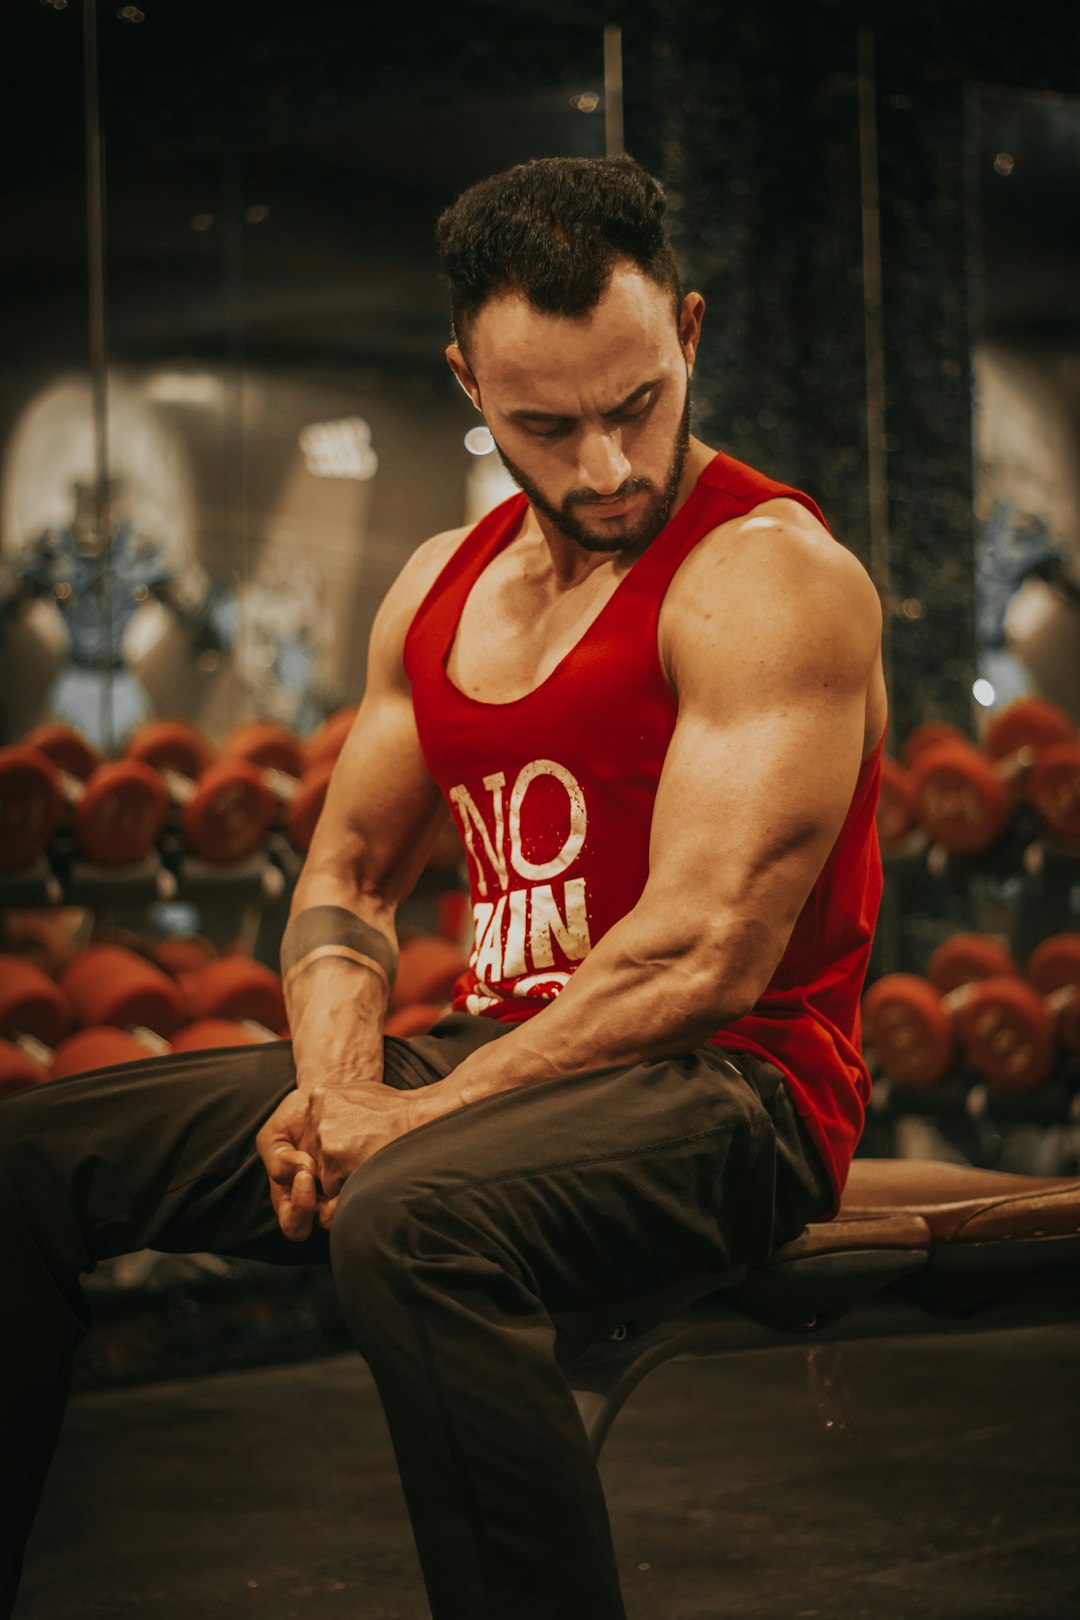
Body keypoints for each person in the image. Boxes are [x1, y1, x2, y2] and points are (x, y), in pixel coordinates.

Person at [0, 155, 886, 1620]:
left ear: (692, 335)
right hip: (502, 1073)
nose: (604, 466)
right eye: (548, 424)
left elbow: (703, 958)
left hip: (736, 1094)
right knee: (33, 1158)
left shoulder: (768, 577)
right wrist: (346, 1089)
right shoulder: (439, 585)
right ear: (467, 383)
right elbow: (348, 870)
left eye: (638, 405)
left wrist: (404, 1125)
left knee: (411, 1215)